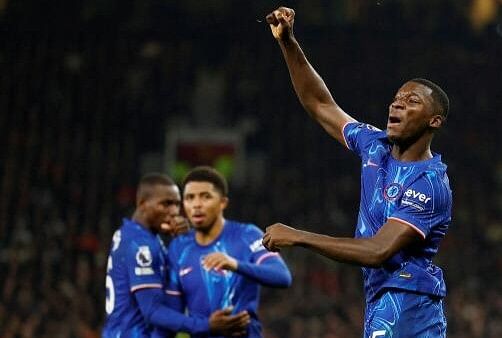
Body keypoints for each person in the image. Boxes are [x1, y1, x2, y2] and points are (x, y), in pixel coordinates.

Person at [262, 7, 452, 338]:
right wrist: (289, 43)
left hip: (408, 304)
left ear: (434, 121)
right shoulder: (374, 145)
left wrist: (299, 236)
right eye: (396, 99)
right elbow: (321, 105)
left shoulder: (430, 184)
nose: (397, 105)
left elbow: (377, 251)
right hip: (382, 300)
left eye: (411, 102)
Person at [103, 173, 250, 338]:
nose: (174, 211)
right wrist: (206, 325)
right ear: (142, 204)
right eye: (165, 204)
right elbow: (152, 311)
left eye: (176, 204)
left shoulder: (130, 233)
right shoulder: (141, 246)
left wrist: (183, 239)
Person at [161, 166, 292, 338]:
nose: (197, 204)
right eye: (189, 198)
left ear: (223, 202)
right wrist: (207, 326)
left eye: (205, 196)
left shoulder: (247, 235)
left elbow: (282, 277)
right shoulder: (179, 247)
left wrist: (235, 265)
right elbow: (172, 313)